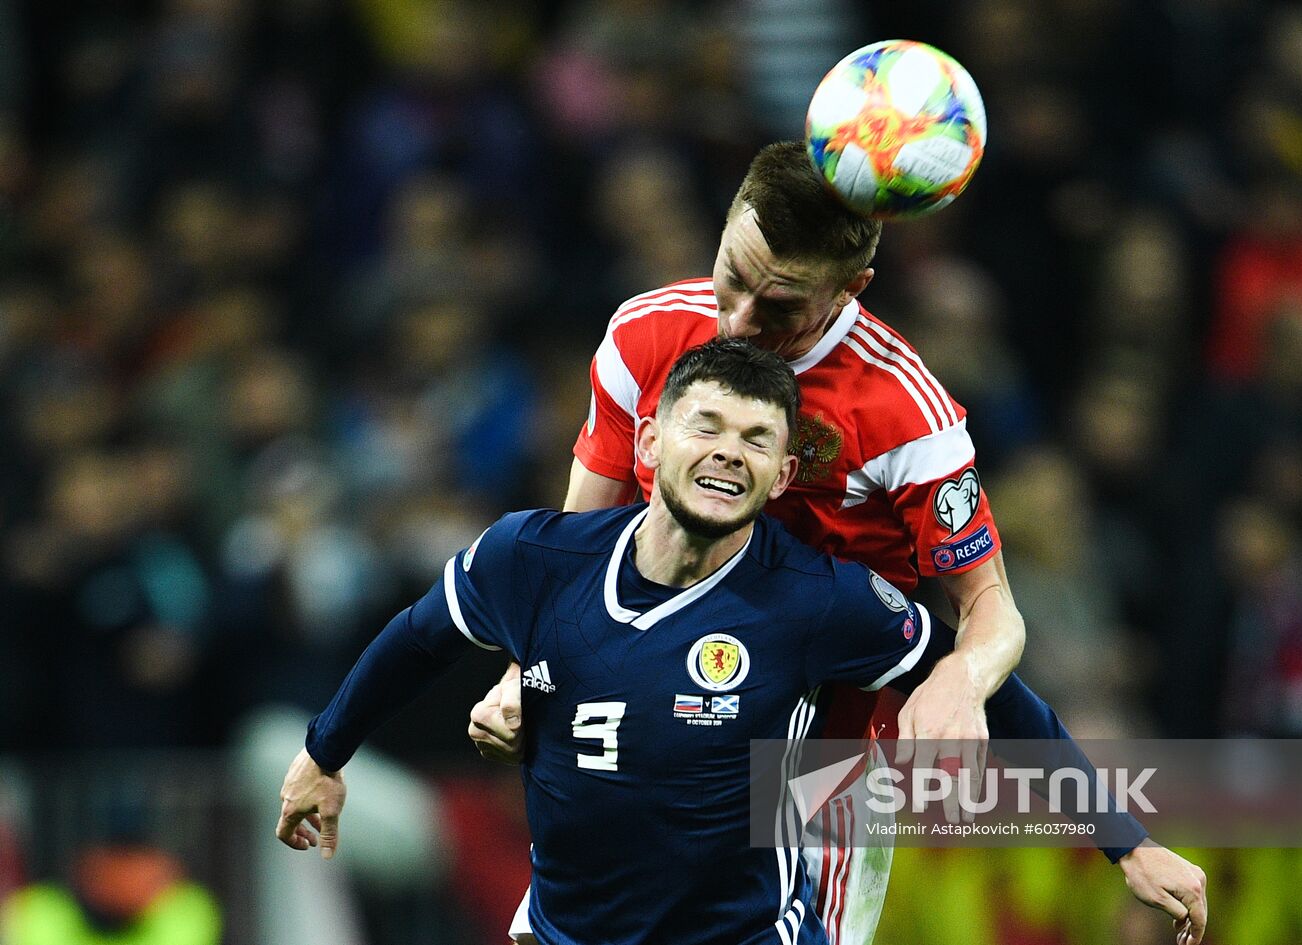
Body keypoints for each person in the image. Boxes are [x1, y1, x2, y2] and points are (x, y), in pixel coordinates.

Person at [469, 142, 1206, 943]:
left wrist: (965, 675)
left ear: (851, 289)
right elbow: (577, 550)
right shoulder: (645, 335)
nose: (739, 322)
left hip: (815, 773)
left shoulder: (905, 416)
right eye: (732, 275)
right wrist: (523, 674)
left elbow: (991, 611)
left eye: (779, 304)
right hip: (638, 739)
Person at [279, 341, 1206, 945]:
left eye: (758, 439)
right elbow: (415, 639)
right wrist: (323, 754)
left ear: (781, 475)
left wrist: (1127, 844)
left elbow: (999, 695)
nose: (730, 450)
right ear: (649, 439)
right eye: (707, 424)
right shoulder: (534, 556)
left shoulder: (820, 602)